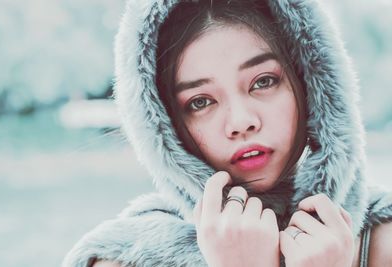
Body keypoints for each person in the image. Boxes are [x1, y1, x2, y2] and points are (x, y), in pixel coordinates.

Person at [62, 0, 392, 266]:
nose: (240, 121)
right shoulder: (123, 259)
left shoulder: (382, 243)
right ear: (166, 125)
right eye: (200, 101)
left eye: (263, 81)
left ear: (310, 84)